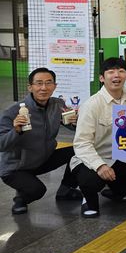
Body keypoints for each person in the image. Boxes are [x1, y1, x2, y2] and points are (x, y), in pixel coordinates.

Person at [0, 68, 82, 215]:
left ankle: (65, 189)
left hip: (41, 159)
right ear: (30, 87)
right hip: (15, 168)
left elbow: (70, 125)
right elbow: (1, 145)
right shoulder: (13, 112)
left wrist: (75, 122)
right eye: (39, 83)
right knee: (38, 190)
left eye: (48, 83)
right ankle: (21, 198)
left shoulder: (57, 105)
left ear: (54, 86)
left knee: (79, 151)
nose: (44, 88)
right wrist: (16, 131)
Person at [70, 58, 126, 218]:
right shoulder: (92, 105)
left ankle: (116, 191)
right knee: (90, 180)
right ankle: (87, 199)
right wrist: (100, 166)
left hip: (122, 156)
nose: (116, 75)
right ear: (102, 78)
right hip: (93, 157)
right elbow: (82, 144)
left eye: (121, 71)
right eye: (111, 72)